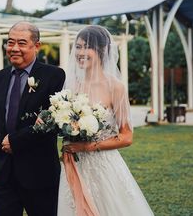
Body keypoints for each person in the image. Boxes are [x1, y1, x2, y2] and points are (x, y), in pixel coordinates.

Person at [57, 25, 154, 215]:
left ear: (101, 50)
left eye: (87, 47)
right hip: (73, 164)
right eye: (77, 47)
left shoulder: (115, 87)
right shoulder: (70, 85)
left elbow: (126, 137)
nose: (80, 52)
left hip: (103, 167)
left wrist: (87, 147)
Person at [0, 21, 65, 216]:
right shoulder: (0, 77)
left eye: (21, 43)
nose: (14, 48)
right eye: (10, 42)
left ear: (36, 46)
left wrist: (15, 141)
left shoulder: (54, 76)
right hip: (4, 174)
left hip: (39, 174)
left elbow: (52, 123)